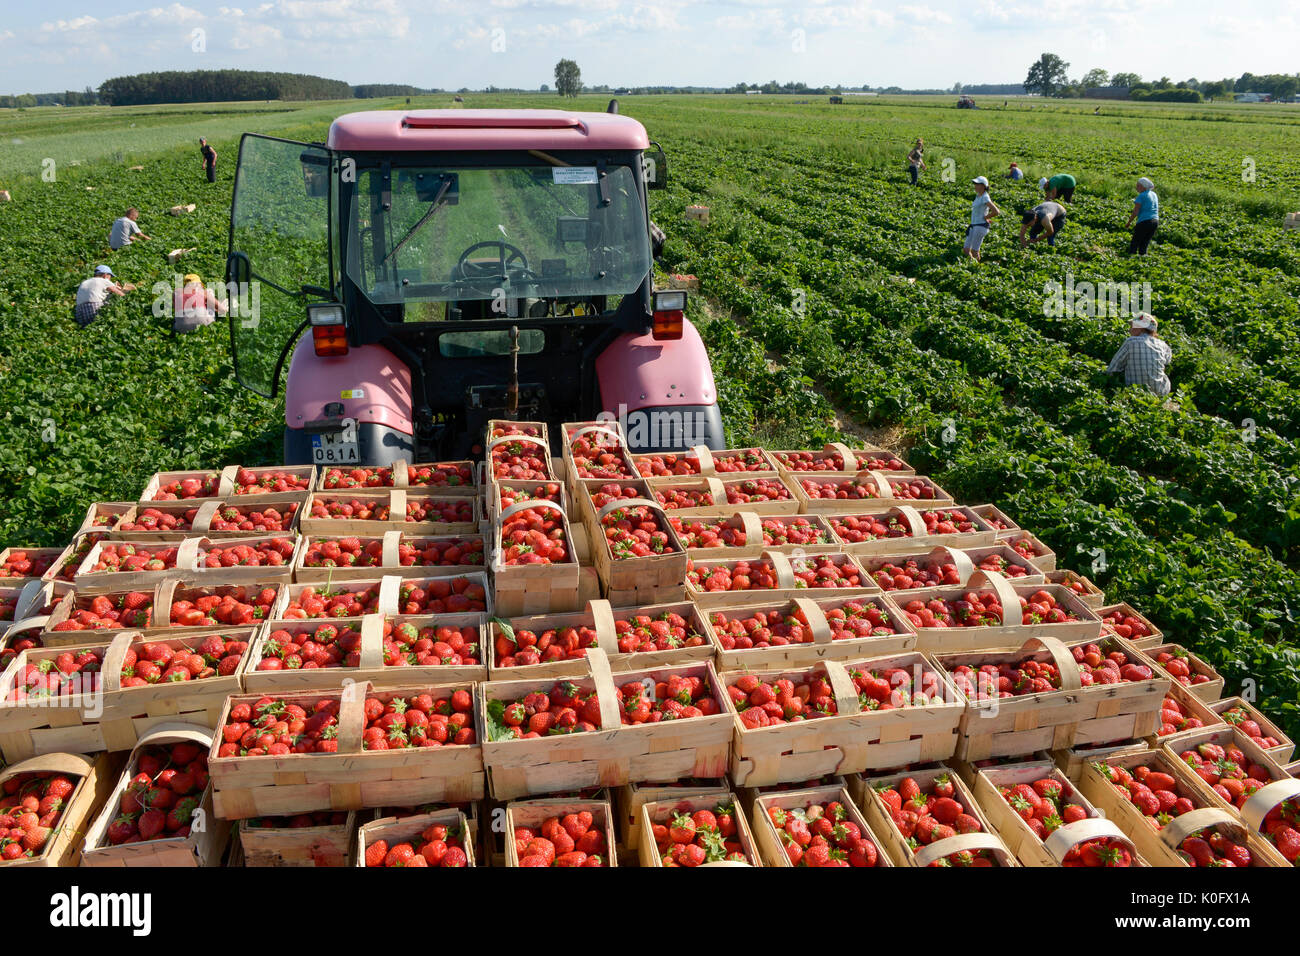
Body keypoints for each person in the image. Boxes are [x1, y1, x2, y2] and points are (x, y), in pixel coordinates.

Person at [1106, 313, 1172, 396]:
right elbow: (1168, 361)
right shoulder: (1163, 345)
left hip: (1135, 391)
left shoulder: (1131, 342)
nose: (1130, 330)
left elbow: (1113, 368)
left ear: (1140, 328)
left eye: (1132, 326)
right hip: (1161, 391)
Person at [963, 177, 1001, 262]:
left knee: (974, 251)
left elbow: (996, 211)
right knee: (966, 250)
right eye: (975, 184)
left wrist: (986, 217)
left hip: (980, 226)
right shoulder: (978, 195)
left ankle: (977, 270)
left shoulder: (985, 197)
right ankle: (972, 265)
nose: (975, 186)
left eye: (978, 184)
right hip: (974, 225)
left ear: (984, 186)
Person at [1126, 177, 1160, 255]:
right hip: (1155, 221)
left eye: (1138, 186)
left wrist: (1129, 222)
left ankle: (1131, 260)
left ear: (1143, 187)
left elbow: (1135, 211)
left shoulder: (1142, 196)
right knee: (1144, 243)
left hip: (1144, 221)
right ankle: (1142, 259)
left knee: (1135, 243)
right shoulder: (1154, 194)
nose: (1136, 187)